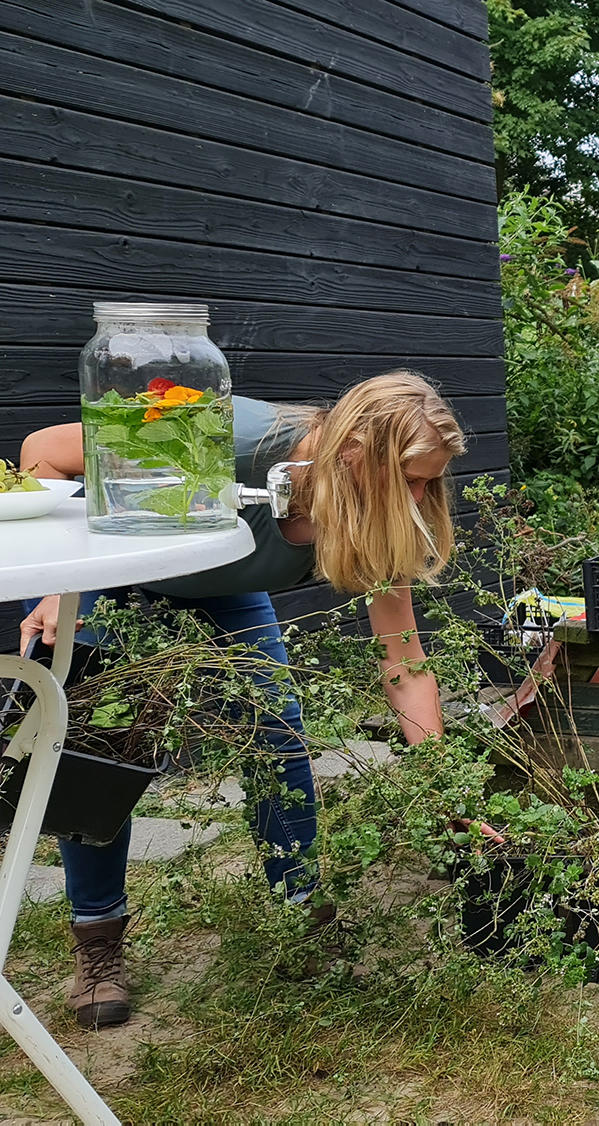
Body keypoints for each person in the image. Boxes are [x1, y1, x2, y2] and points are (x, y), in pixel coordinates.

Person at [17, 371, 467, 1029]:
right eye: (412, 478)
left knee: (274, 731)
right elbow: (43, 451)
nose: (421, 497)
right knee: (98, 746)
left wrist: (444, 786)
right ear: (352, 454)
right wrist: (63, 584)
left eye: (431, 480)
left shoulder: (380, 511)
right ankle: (98, 942)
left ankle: (300, 914)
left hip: (216, 590)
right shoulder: (232, 436)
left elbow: (402, 662)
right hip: (106, 574)